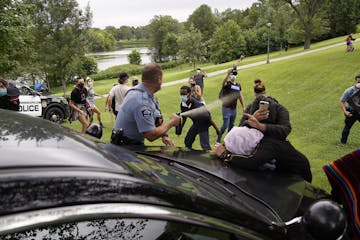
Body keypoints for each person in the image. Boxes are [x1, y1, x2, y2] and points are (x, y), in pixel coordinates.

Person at [112, 63, 180, 146]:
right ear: (159, 79)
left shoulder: (145, 94)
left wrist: (164, 136)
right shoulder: (141, 101)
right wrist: (172, 122)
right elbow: (151, 135)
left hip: (127, 145)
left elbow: (156, 118)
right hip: (126, 148)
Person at [213, 127, 312, 182]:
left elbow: (251, 162)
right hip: (286, 170)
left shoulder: (268, 147)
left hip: (299, 175)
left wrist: (225, 155)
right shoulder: (257, 139)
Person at [178, 85, 220, 151]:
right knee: (187, 140)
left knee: (204, 145)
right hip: (196, 123)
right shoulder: (183, 105)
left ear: (189, 94)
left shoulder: (197, 105)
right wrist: (181, 128)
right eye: (181, 94)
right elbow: (184, 117)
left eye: (184, 94)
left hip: (203, 124)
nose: (182, 96)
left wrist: (216, 129)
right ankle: (188, 155)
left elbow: (208, 118)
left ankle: (210, 159)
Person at [217, 68, 245, 142]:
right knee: (225, 125)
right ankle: (218, 139)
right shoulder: (227, 84)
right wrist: (228, 74)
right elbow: (223, 83)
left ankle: (228, 140)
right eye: (232, 74)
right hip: (226, 108)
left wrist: (243, 106)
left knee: (231, 125)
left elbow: (240, 96)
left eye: (235, 74)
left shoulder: (238, 85)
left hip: (233, 109)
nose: (233, 76)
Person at [339, 75, 360, 144]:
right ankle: (343, 142)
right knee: (347, 127)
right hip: (351, 112)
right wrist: (345, 111)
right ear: (356, 81)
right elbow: (342, 101)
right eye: (359, 81)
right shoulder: (349, 91)